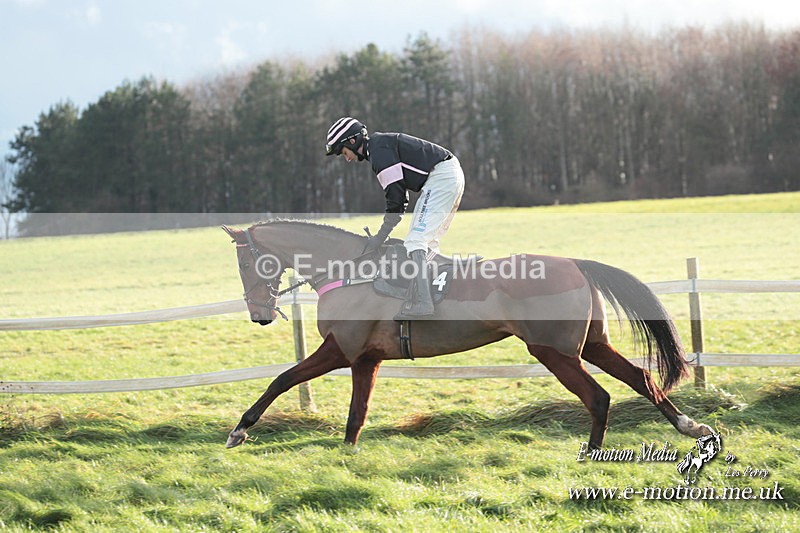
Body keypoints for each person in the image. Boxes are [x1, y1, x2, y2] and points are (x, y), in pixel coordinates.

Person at [325, 116, 465, 319]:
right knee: (426, 243)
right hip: (447, 175)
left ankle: (424, 303)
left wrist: (379, 237)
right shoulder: (379, 147)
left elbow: (397, 200)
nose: (346, 158)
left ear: (352, 141)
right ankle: (434, 295)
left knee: (416, 241)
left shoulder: (379, 153)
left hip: (442, 178)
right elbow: (399, 200)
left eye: (343, 152)